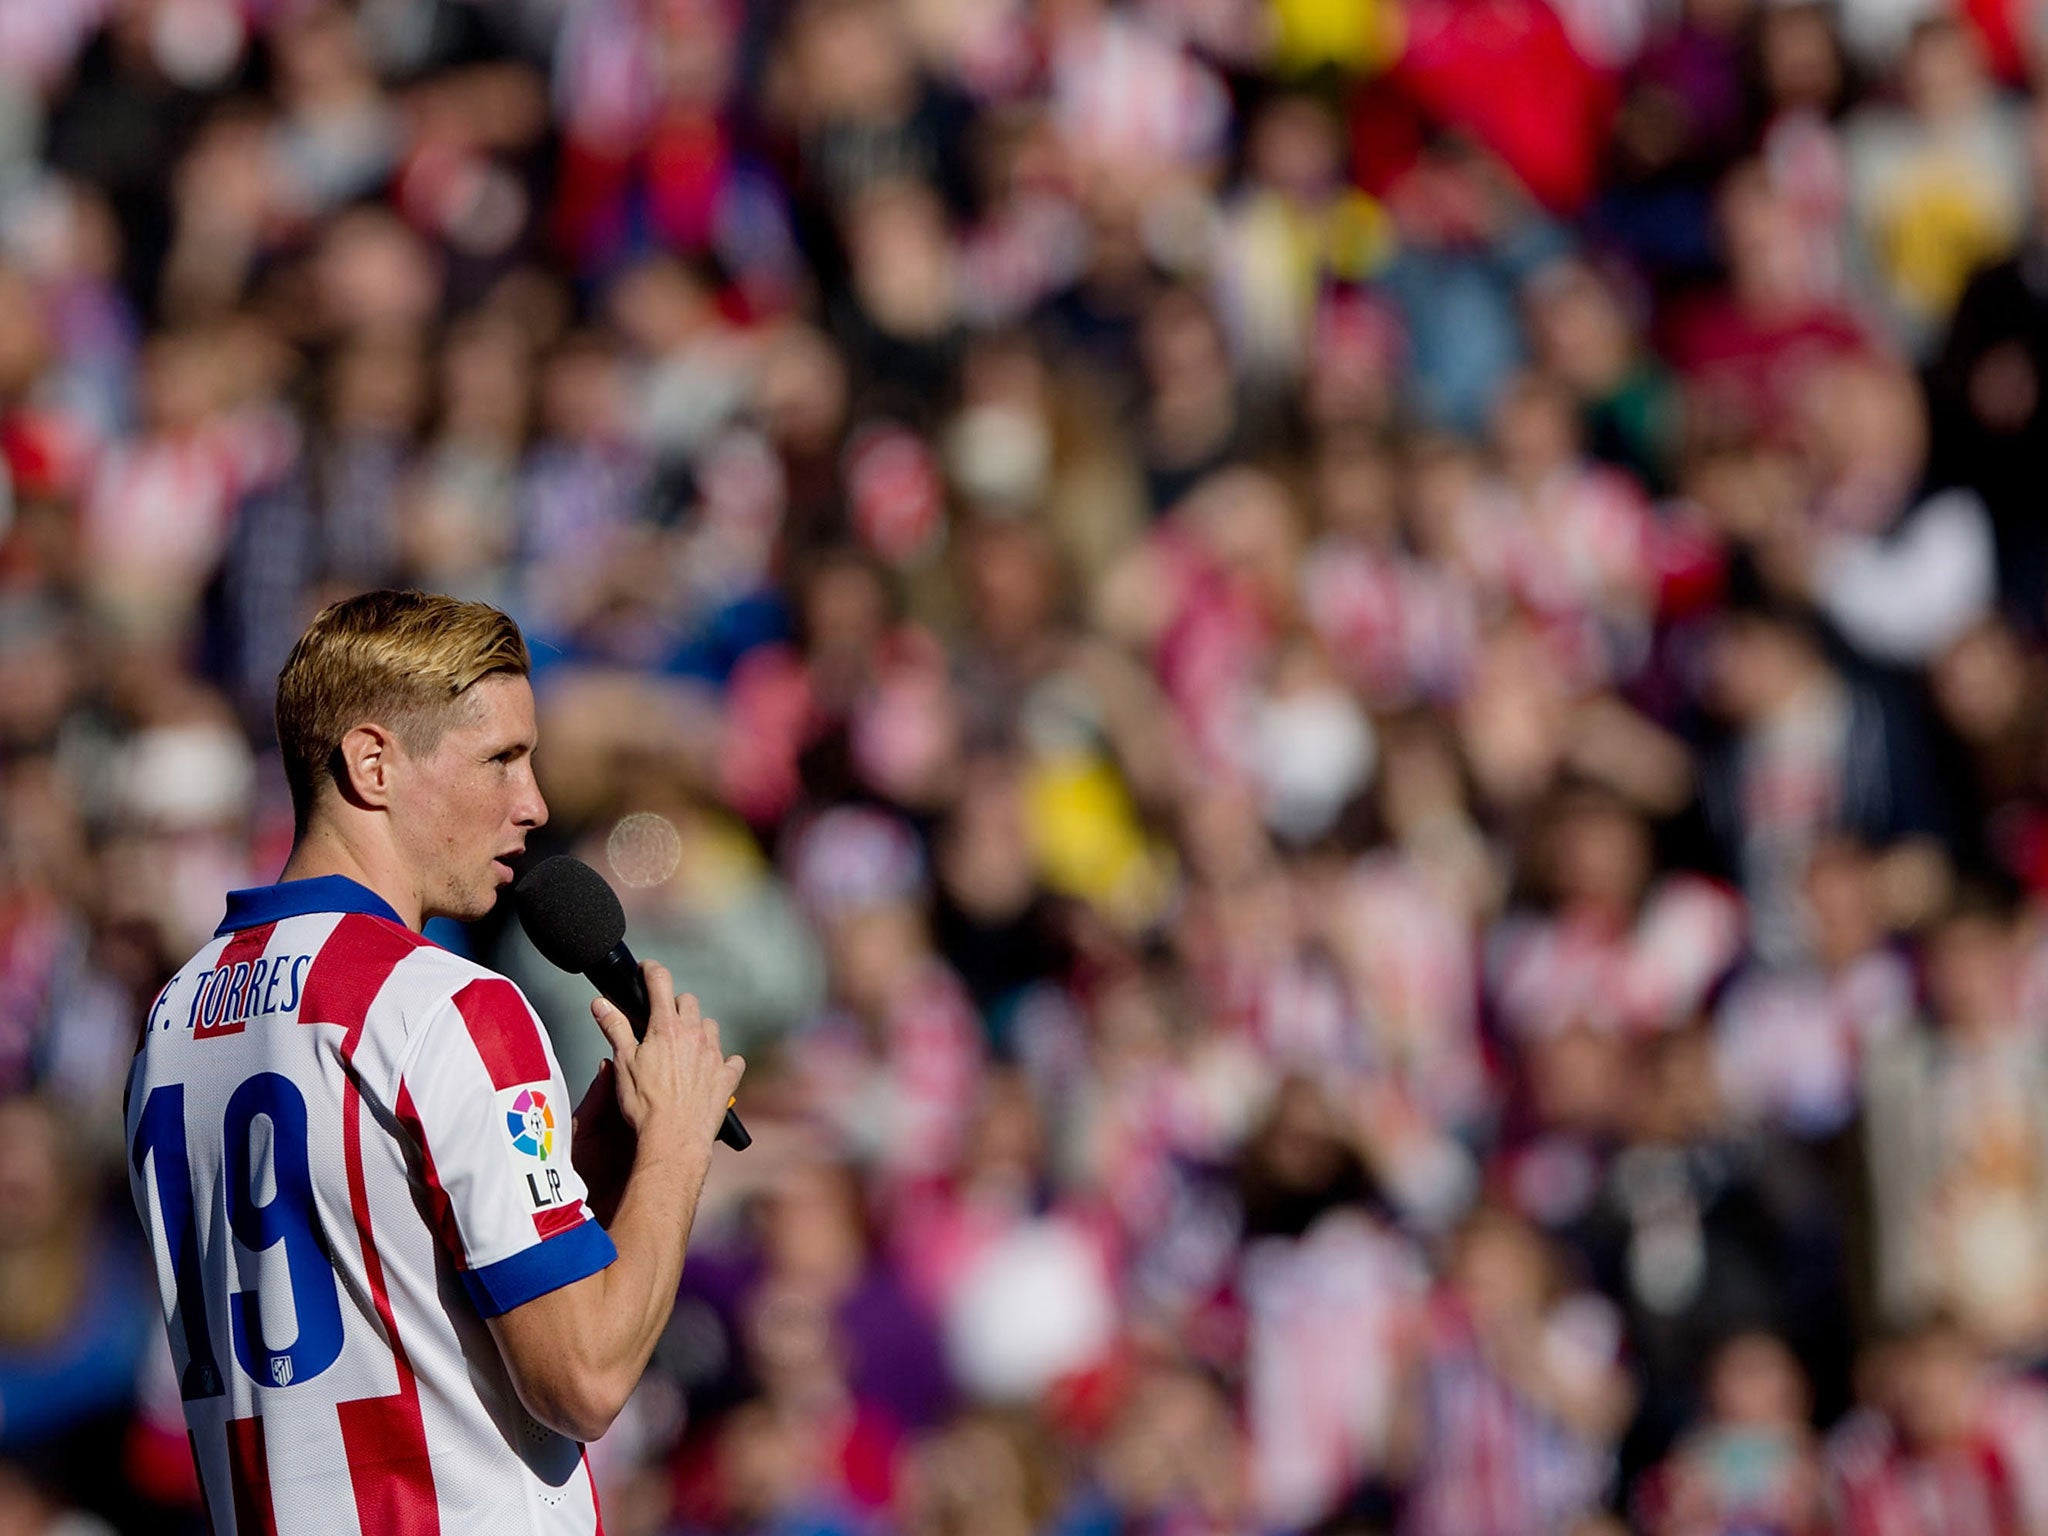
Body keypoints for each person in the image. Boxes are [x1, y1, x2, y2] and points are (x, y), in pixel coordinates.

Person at [122, 589, 745, 1534]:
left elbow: (388, 1277)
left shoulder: (170, 1019)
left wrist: (588, 1169)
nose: (534, 804)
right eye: (501, 759)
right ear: (372, 763)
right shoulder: (450, 1005)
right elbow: (584, 1377)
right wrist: (677, 1145)